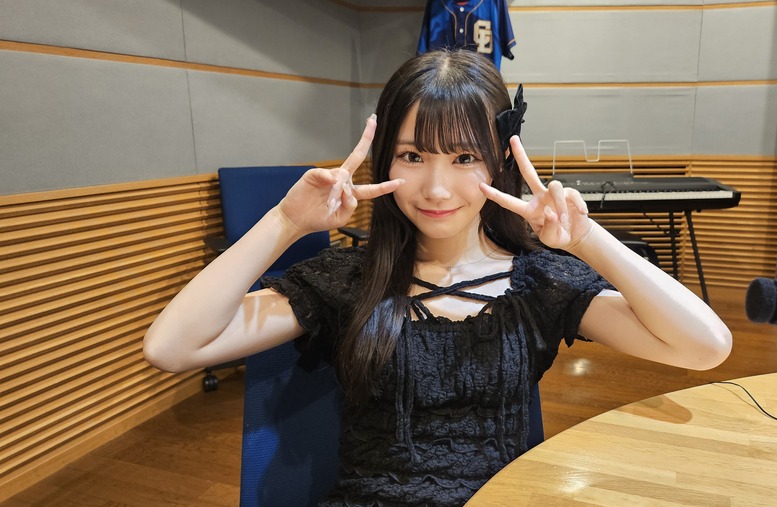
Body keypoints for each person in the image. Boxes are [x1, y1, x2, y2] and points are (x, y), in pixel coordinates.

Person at [143, 49, 732, 506]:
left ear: (500, 161)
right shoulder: (349, 280)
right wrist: (286, 222)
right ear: (385, 160)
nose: (436, 188)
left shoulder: (537, 284)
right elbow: (171, 347)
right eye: (413, 156)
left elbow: (704, 347)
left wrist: (586, 239)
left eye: (464, 158)